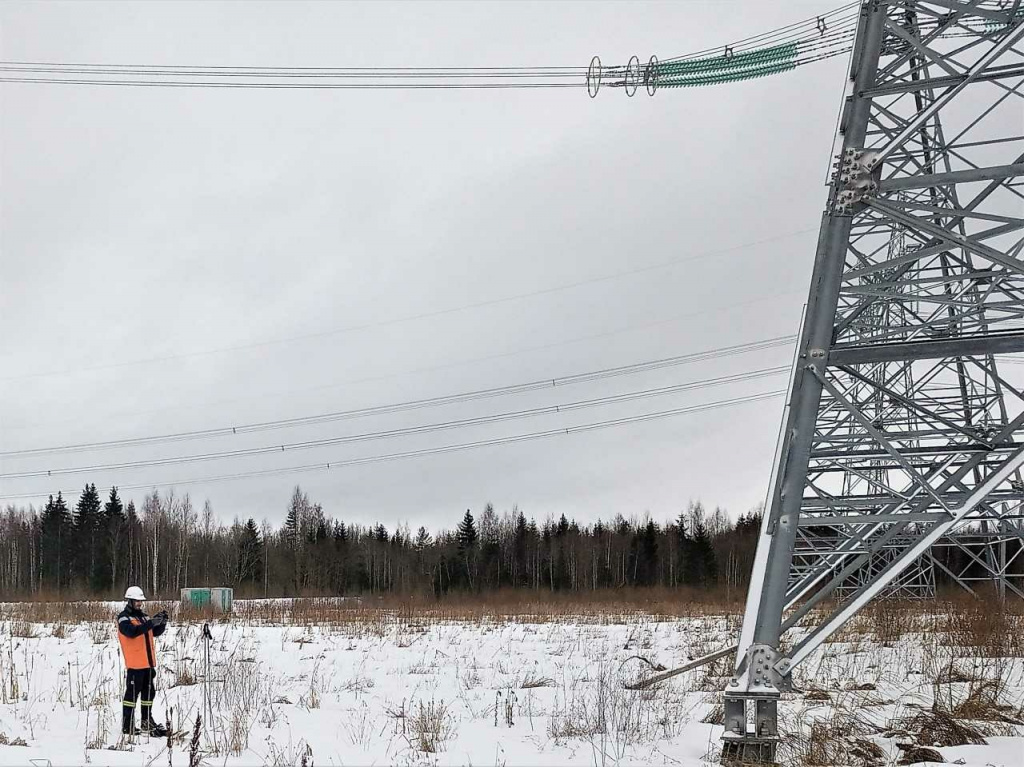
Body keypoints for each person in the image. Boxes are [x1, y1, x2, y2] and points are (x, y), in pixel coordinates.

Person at [117, 586, 170, 737]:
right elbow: (132, 632)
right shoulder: (123, 618)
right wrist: (151, 623)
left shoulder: (144, 617)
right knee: (131, 696)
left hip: (147, 664)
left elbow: (154, 632)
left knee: (149, 694)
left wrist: (161, 622)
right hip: (135, 665)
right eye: (137, 601)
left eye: (141, 601)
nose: (140, 604)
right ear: (130, 601)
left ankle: (147, 721)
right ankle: (128, 725)